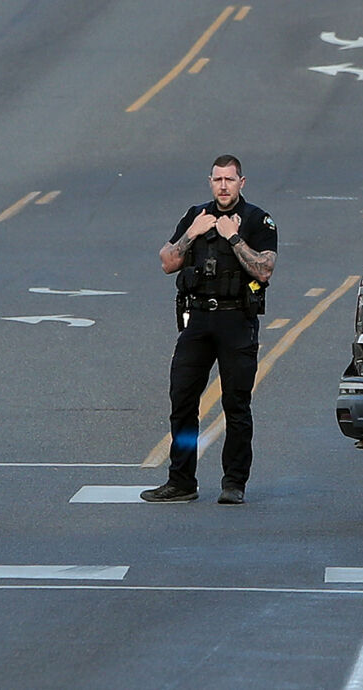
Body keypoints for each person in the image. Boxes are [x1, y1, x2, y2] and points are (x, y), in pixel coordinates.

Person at [144, 154, 277, 505]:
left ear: (241, 183)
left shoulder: (256, 220)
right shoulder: (196, 215)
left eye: (229, 180)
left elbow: (264, 270)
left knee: (236, 404)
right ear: (210, 182)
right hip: (198, 320)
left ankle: (234, 482)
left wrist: (233, 238)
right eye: (217, 180)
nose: (223, 186)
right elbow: (167, 262)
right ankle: (181, 481)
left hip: (237, 321)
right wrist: (192, 233)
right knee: (183, 401)